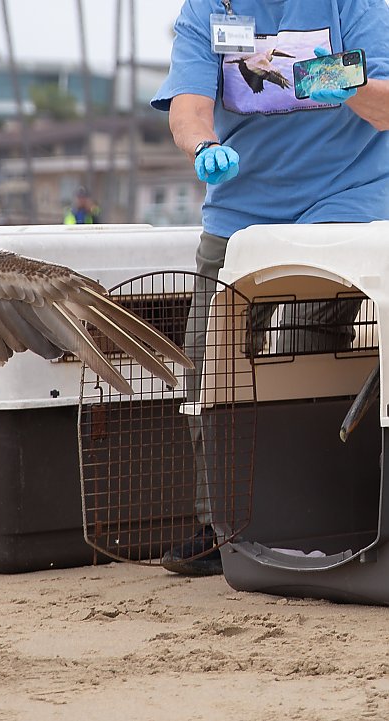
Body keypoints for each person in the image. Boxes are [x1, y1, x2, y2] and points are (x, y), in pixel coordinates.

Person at [151, 0, 389, 576]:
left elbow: (385, 108)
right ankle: (220, 525)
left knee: (306, 346)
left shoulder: (352, 3)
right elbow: (187, 107)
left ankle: (316, 511)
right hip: (241, 206)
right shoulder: (208, 9)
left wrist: (348, 86)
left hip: (349, 197)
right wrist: (204, 147)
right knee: (205, 363)